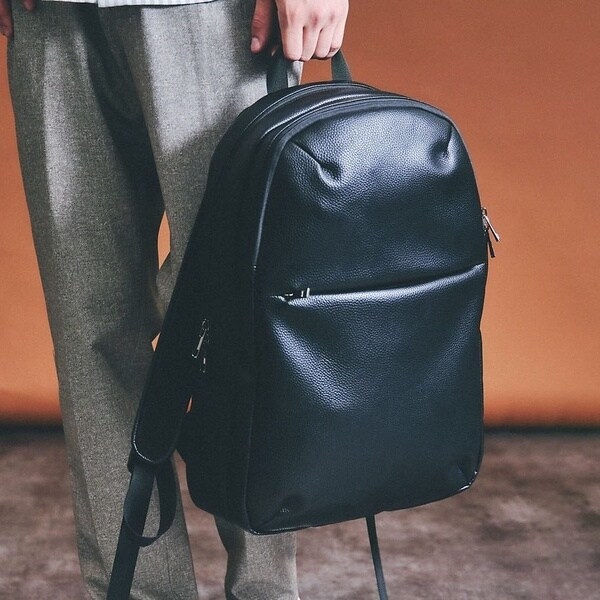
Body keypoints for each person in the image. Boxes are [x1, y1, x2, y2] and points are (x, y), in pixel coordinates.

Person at [0, 0, 349, 598]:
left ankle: (266, 591)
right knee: (90, 331)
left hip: (214, 16)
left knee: (245, 310)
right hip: (52, 18)